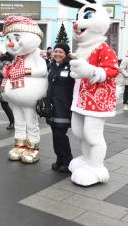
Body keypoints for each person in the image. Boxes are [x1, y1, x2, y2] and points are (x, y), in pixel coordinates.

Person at [46, 44, 74, 173]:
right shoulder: (52, 65)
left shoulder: (71, 66)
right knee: (55, 134)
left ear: (66, 54)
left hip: (64, 105)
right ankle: (59, 159)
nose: (57, 53)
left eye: (60, 52)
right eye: (56, 51)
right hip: (51, 105)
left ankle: (68, 161)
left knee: (60, 134)